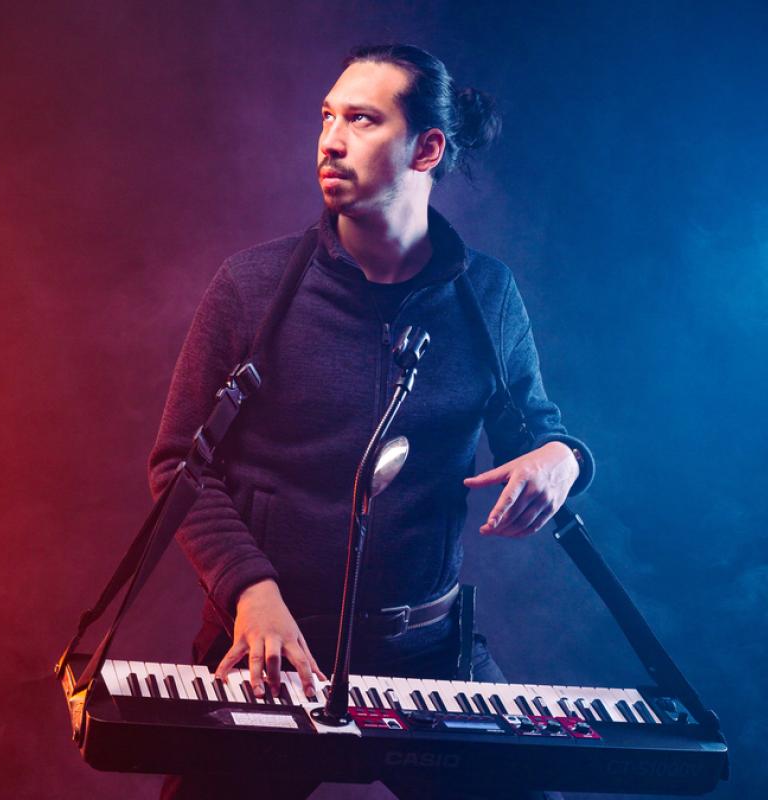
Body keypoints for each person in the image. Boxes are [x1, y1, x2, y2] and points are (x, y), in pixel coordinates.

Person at [149, 43, 593, 800]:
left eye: (361, 119)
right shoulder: (251, 287)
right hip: (268, 653)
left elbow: (538, 433)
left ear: (427, 148)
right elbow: (179, 467)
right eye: (327, 116)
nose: (329, 139)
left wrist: (563, 461)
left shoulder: (488, 295)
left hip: (428, 653)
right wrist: (250, 592)